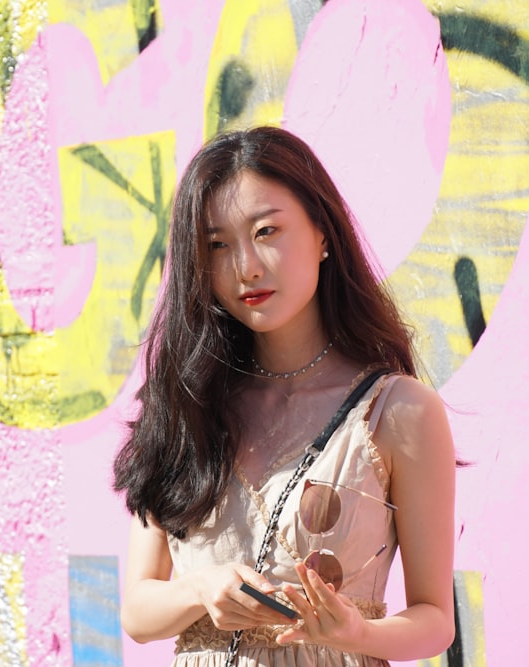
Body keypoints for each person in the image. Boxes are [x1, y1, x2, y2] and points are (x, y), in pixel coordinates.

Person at [113, 125, 456, 666]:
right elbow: (137, 610)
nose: (245, 266)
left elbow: (435, 620)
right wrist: (201, 589)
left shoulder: (398, 411)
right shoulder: (185, 405)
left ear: (322, 233)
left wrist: (355, 633)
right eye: (217, 245)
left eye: (266, 231)